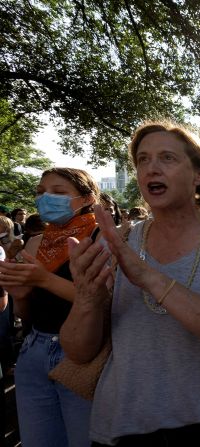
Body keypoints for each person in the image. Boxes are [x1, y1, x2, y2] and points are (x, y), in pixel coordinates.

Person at [60, 121, 200, 446]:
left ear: (198, 175)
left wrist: (149, 277)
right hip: (123, 426)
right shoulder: (116, 242)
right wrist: (87, 297)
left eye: (167, 158)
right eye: (143, 159)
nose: (152, 167)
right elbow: (78, 352)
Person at [0, 167, 101, 447]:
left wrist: (43, 279)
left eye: (58, 192)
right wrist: (20, 296)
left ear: (86, 199)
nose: (46, 199)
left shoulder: (101, 238)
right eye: (41, 192)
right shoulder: (34, 243)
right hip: (33, 351)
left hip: (82, 358)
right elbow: (26, 316)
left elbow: (101, 302)